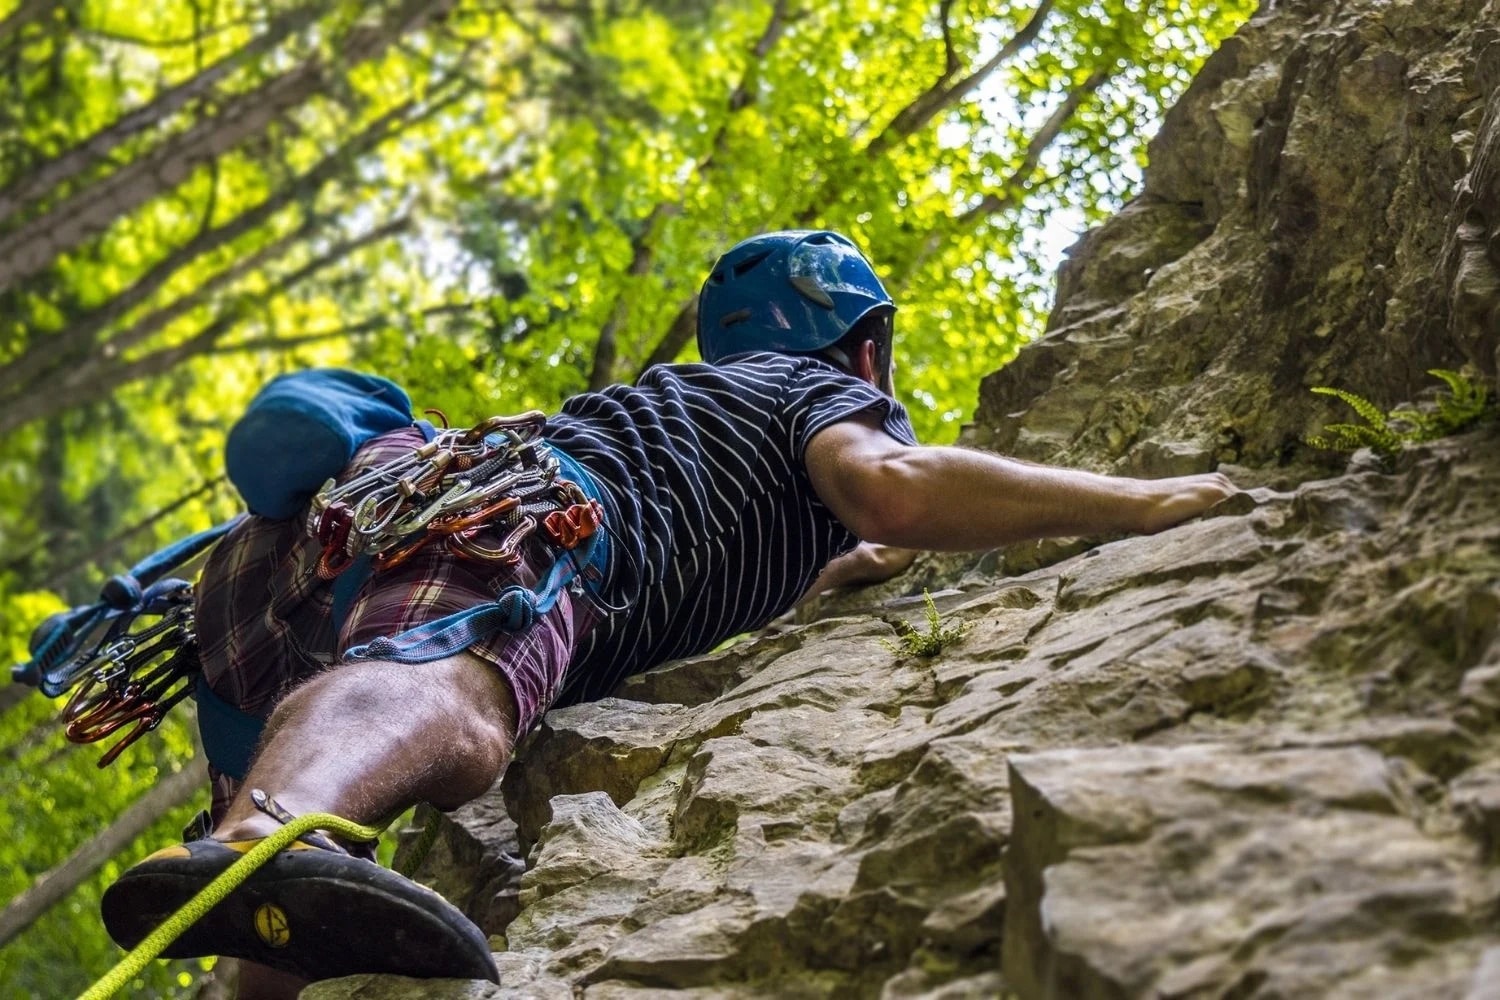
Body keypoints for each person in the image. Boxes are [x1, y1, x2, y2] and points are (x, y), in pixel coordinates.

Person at [101, 230, 1235, 997]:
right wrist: (1145, 502)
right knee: (461, 694)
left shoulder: (701, 424)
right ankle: (262, 833)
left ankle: (252, 889)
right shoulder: (817, 393)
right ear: (866, 348)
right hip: (519, 514)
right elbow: (893, 485)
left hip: (274, 584)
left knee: (288, 891)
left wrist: (849, 568)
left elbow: (828, 550)